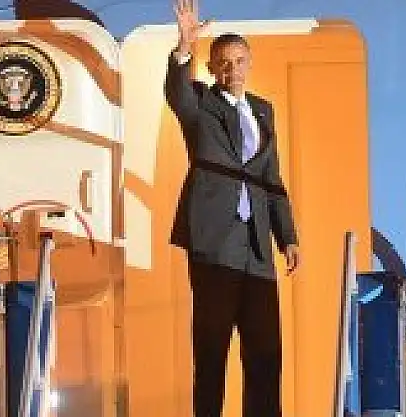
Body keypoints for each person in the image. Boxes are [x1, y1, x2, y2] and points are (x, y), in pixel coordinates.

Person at [164, 1, 300, 416]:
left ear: (250, 63)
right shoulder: (201, 102)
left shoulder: (263, 110)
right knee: (211, 351)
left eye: (239, 61)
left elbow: (271, 179)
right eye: (223, 63)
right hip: (214, 241)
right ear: (212, 67)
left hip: (257, 248)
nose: (232, 69)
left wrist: (287, 236)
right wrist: (183, 49)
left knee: (265, 354)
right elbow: (177, 94)